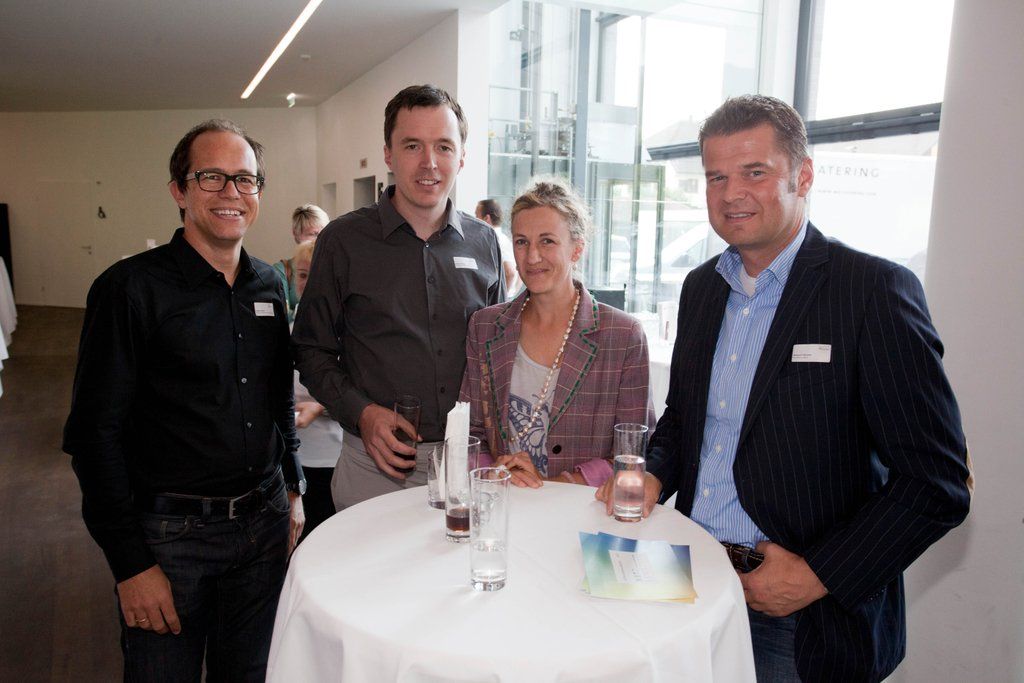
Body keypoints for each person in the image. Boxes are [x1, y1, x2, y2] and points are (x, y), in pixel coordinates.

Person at [598, 95, 971, 683]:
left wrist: (817, 575)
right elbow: (685, 417)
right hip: (688, 575)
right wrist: (654, 475)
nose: (731, 194)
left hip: (798, 613)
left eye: (754, 172)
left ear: (803, 176)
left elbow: (937, 481)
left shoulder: (871, 292)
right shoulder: (701, 289)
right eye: (716, 177)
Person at [63, 119, 306, 682]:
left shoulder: (269, 284)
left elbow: (278, 399)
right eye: (211, 177)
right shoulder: (129, 290)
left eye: (245, 179)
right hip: (171, 542)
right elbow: (94, 437)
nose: (231, 193)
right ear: (179, 190)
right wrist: (131, 565)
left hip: (264, 527)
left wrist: (293, 486)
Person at [292, 84, 504, 510]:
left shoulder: (484, 242)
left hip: (466, 464)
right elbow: (310, 350)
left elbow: (499, 353)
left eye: (443, 146)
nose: (429, 163)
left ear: (462, 157)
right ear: (388, 154)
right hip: (374, 466)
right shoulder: (343, 241)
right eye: (412, 146)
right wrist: (362, 413)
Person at [460, 179, 653, 488]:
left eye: (547, 241)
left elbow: (633, 450)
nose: (532, 256)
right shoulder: (484, 327)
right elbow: (470, 432)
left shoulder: (623, 335)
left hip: (583, 510)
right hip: (504, 502)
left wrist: (556, 484)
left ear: (577, 249)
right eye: (521, 242)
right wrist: (492, 473)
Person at [289, 240, 342, 541]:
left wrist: (319, 407)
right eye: (302, 275)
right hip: (295, 462)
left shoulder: (345, 332)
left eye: (315, 275)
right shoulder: (286, 329)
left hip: (332, 460)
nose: (308, 283)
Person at [274, 203, 328, 321]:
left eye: (324, 234)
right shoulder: (281, 271)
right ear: (296, 234)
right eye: (313, 234)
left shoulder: (334, 267)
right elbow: (281, 316)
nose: (319, 240)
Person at [476, 197, 520, 296]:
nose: (474, 220)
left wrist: (502, 299)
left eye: (476, 216)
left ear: (486, 218)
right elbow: (519, 272)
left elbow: (510, 272)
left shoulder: (494, 240)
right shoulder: (505, 239)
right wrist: (512, 294)